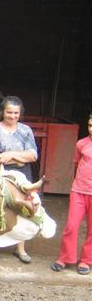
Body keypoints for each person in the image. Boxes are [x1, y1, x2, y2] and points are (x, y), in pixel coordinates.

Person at [0, 96, 38, 266]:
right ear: (2, 112)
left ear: (21, 113)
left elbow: (33, 155)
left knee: (23, 209)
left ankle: (20, 248)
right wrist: (20, 159)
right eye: (9, 112)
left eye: (16, 113)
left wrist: (9, 155)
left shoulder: (26, 130)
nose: (12, 116)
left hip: (22, 175)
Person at [51, 114, 92, 275]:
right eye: (89, 125)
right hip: (79, 190)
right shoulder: (81, 144)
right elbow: (77, 164)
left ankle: (86, 260)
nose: (91, 129)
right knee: (71, 226)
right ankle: (65, 257)